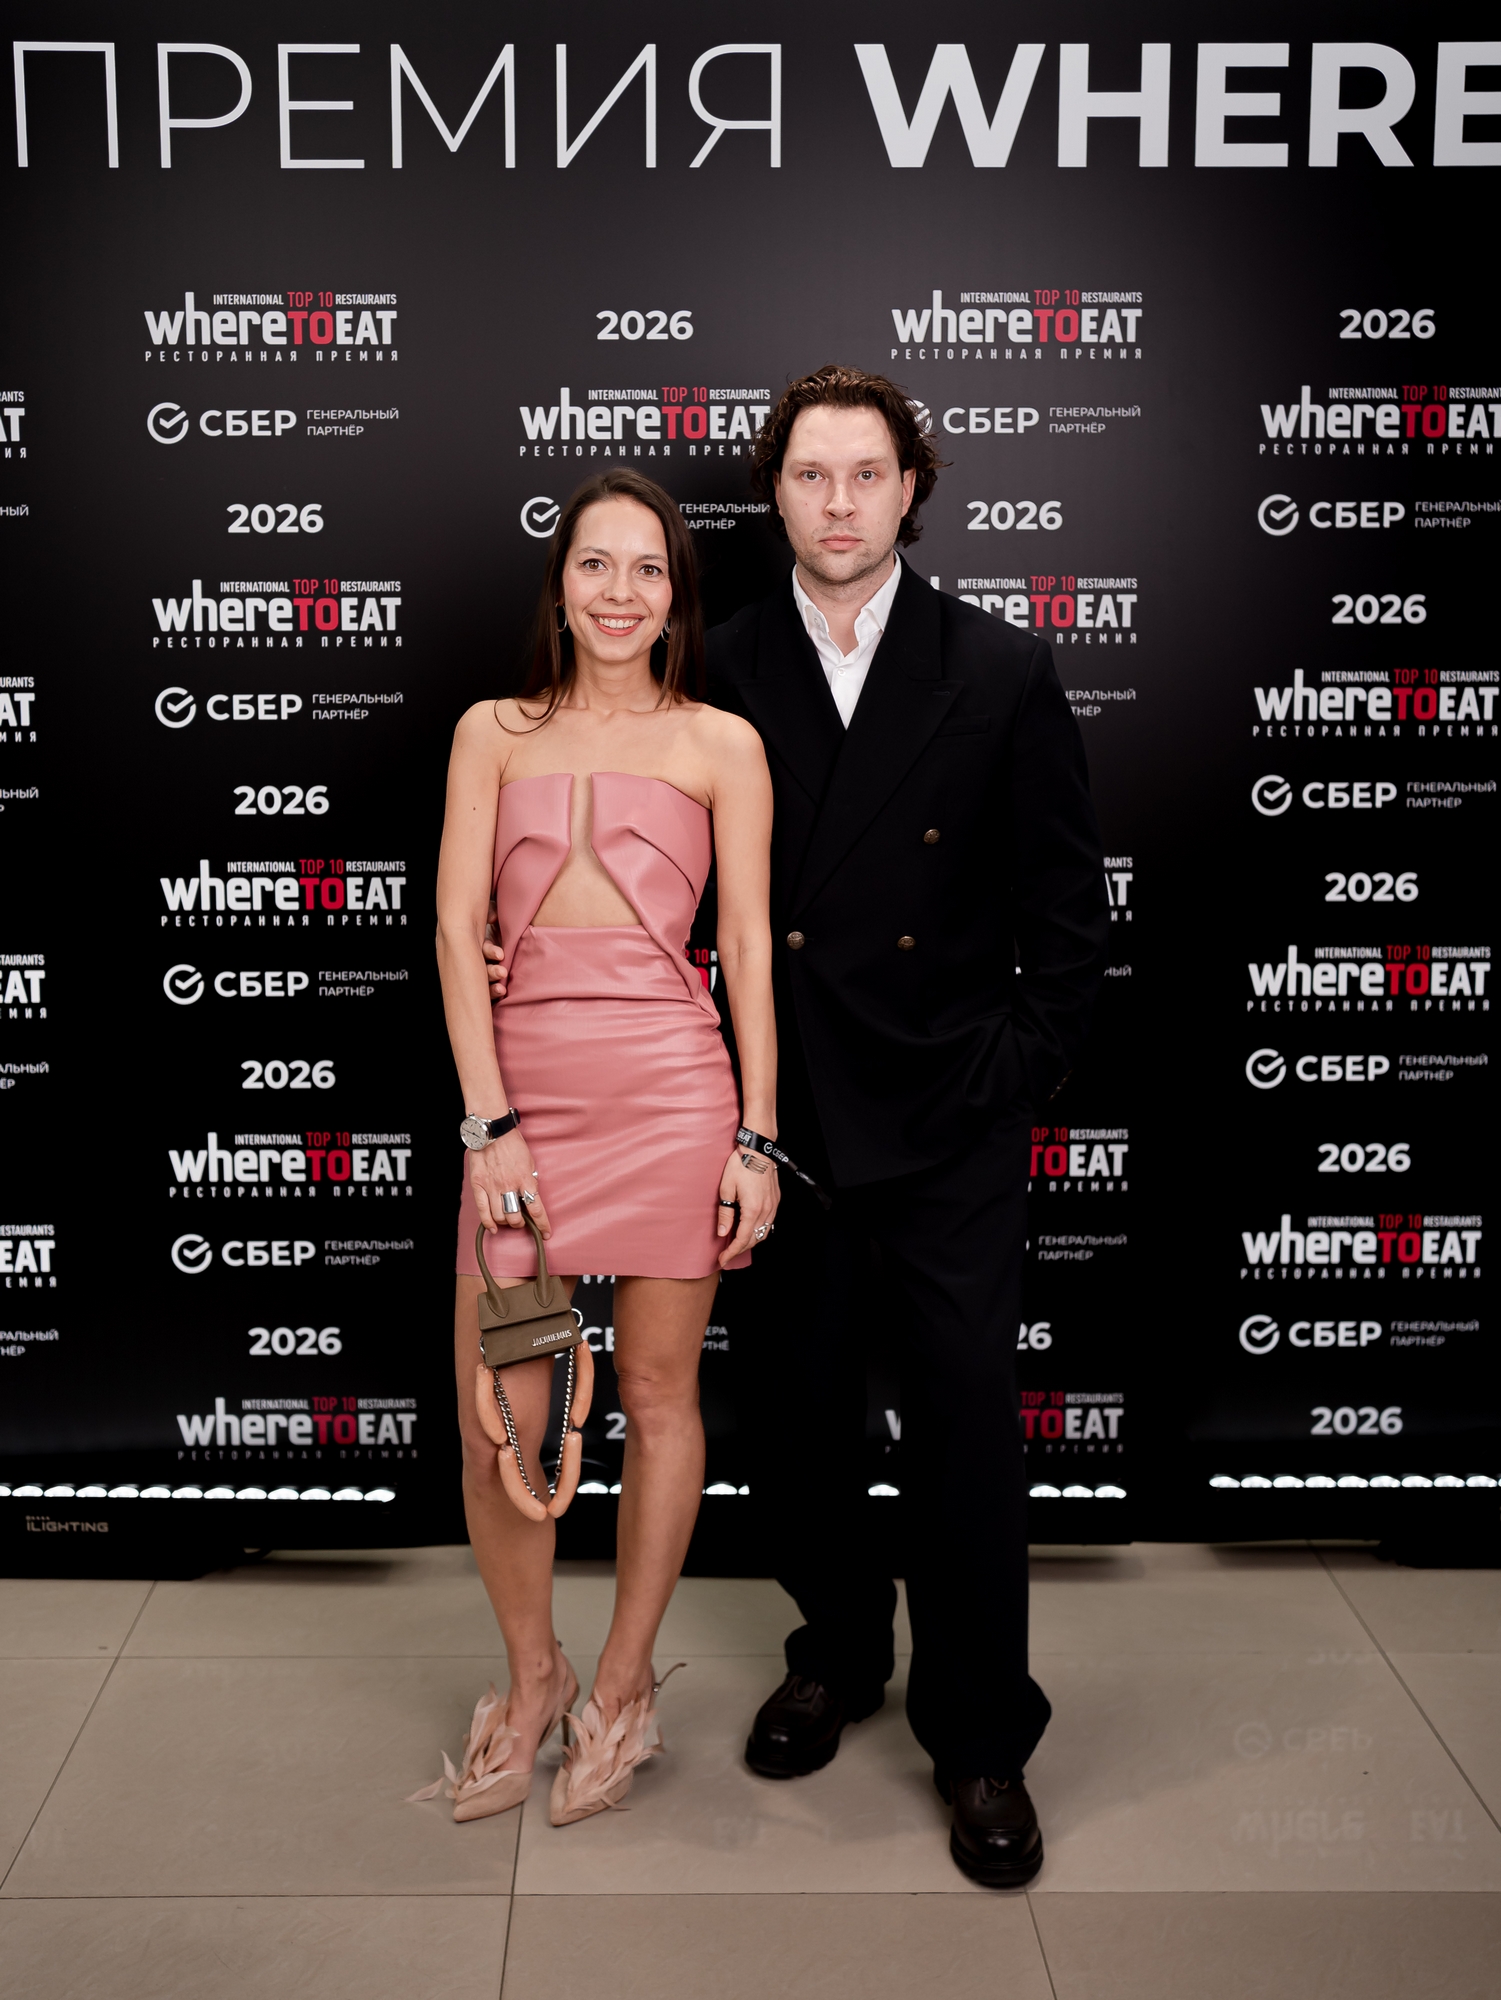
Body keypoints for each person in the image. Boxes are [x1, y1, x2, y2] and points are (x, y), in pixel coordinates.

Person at [703, 365, 1107, 1886]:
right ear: (775, 492)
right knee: (799, 1416)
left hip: (948, 1116)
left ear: (912, 489)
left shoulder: (998, 667)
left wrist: (1011, 1074)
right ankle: (835, 1654)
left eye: (865, 474)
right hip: (780, 1114)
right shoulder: (717, 662)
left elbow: (1066, 912)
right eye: (810, 474)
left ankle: (983, 1733)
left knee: (963, 1432)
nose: (838, 502)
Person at [430, 467, 778, 1828]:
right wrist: (489, 1123)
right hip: (522, 1107)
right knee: (499, 1429)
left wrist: (757, 1136)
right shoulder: (490, 732)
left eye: (647, 568)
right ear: (560, 583)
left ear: (676, 594)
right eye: (595, 564)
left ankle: (623, 1685)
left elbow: (745, 949)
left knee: (658, 1391)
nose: (619, 592)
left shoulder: (722, 745)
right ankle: (533, 1678)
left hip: (674, 1095)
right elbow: (456, 931)